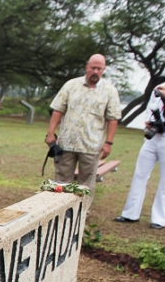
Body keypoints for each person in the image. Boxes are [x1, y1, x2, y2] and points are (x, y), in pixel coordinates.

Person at [115, 56, 165, 229]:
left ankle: (158, 219)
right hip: (154, 137)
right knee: (140, 174)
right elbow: (151, 108)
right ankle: (130, 214)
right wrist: (149, 123)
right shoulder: (160, 88)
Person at [46, 54, 121, 191]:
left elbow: (113, 118)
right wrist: (50, 133)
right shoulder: (71, 85)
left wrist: (108, 143)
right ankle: (64, 212)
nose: (95, 71)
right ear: (87, 67)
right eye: (93, 68)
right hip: (67, 143)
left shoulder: (110, 91)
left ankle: (81, 212)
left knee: (85, 186)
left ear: (104, 70)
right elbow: (58, 110)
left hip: (91, 146)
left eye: (99, 68)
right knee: (62, 183)